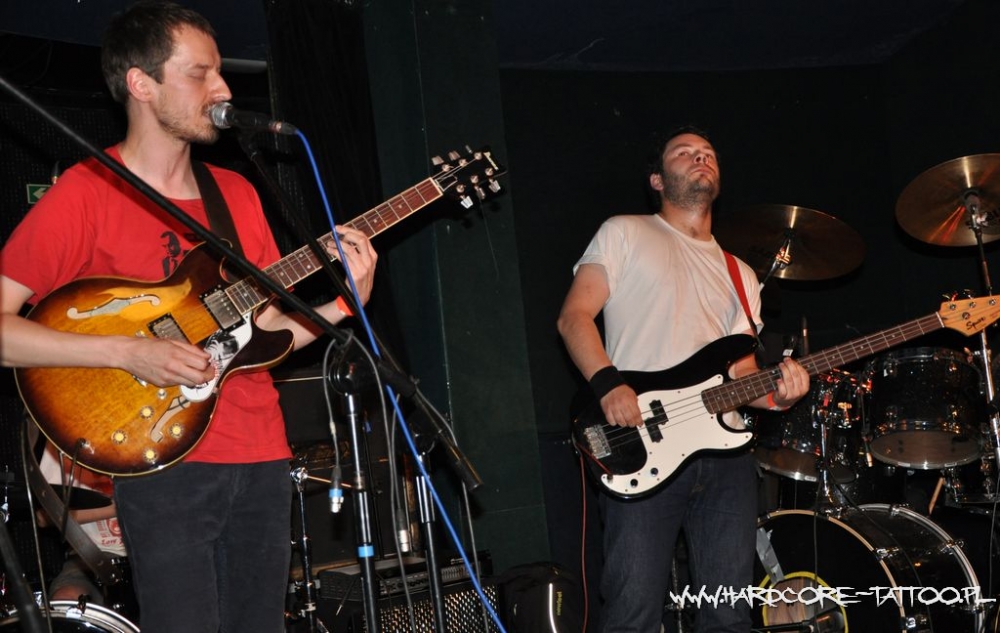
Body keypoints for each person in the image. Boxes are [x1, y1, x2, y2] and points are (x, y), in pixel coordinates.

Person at [0, 2, 378, 631]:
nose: (222, 88)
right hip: (162, 456)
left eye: (220, 72)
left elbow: (265, 334)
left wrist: (342, 306)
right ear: (141, 84)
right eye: (200, 73)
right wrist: (127, 352)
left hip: (261, 454)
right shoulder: (86, 194)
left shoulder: (236, 193)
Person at [556, 127, 810, 632]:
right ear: (657, 179)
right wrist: (607, 384)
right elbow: (573, 317)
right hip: (641, 441)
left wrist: (780, 396)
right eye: (685, 152)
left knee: (729, 614)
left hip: (727, 457)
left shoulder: (740, 274)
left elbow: (741, 373)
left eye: (708, 153)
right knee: (633, 612)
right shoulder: (625, 231)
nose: (700, 158)